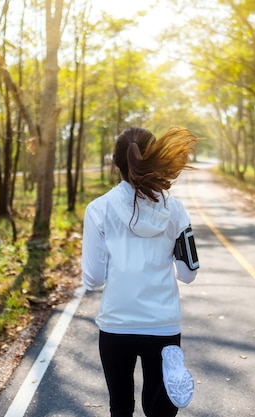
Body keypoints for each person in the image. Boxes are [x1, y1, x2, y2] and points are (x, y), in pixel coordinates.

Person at [81, 126, 200, 417]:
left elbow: (93, 278)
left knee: (120, 407)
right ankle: (164, 403)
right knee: (158, 409)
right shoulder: (175, 210)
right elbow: (188, 274)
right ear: (156, 157)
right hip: (163, 324)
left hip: (116, 324)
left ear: (115, 162)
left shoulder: (98, 209)